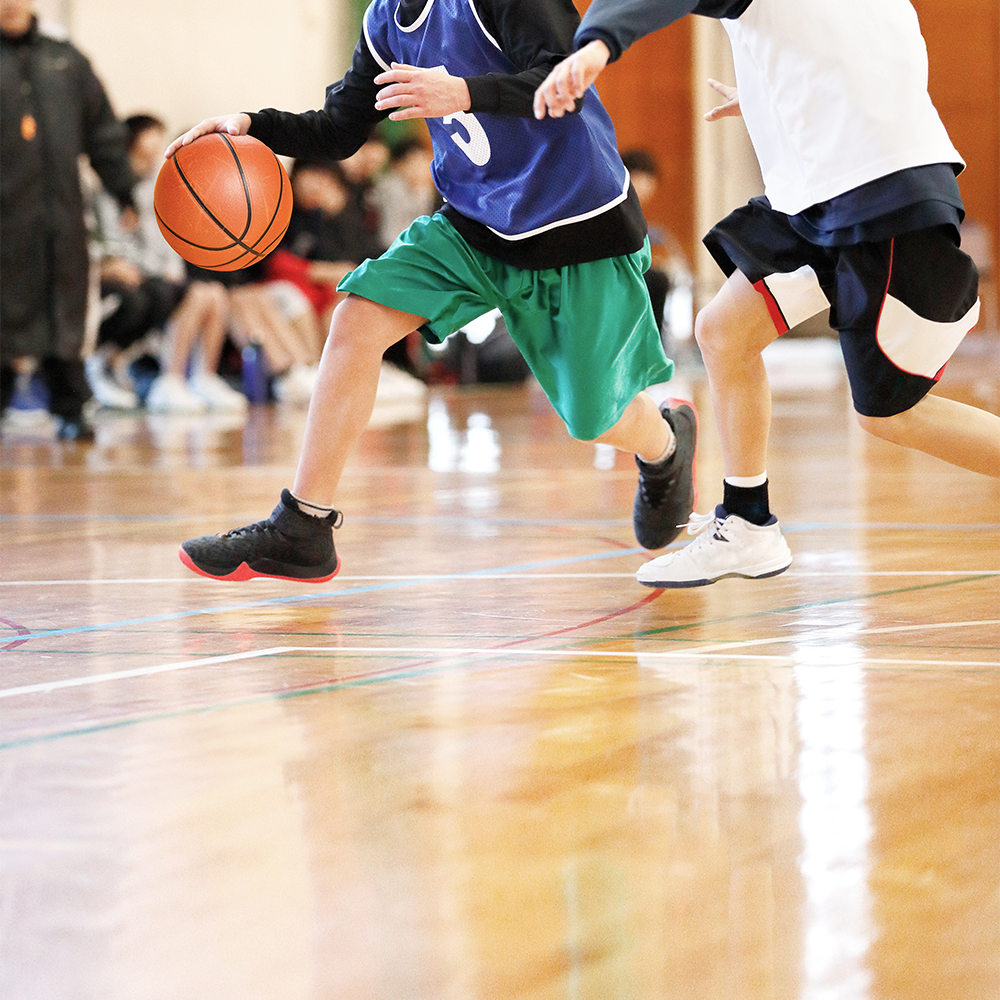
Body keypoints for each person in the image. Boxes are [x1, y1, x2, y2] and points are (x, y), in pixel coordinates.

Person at [172, 0, 696, 583]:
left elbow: (565, 79)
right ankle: (303, 527)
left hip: (575, 221)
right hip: (473, 222)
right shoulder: (384, 22)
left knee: (597, 419)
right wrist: (254, 126)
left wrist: (464, 94)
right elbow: (340, 129)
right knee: (356, 319)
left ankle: (665, 444)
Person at [535, 0, 996, 588]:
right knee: (724, 331)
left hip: (879, 197)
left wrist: (597, 41)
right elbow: (869, 47)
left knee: (895, 415)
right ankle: (749, 524)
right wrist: (772, 97)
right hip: (820, 195)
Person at [0, 0, 136, 440]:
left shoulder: (65, 60)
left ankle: (71, 407)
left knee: (65, 312)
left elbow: (104, 131)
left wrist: (124, 190)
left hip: (60, 215)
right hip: (5, 217)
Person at [88, 113, 248, 415]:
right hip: (133, 272)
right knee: (194, 294)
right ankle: (170, 378)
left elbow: (165, 241)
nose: (150, 161)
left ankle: (204, 377)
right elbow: (114, 243)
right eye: (143, 154)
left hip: (156, 271)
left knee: (215, 293)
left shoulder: (154, 187)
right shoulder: (111, 192)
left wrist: (170, 271)